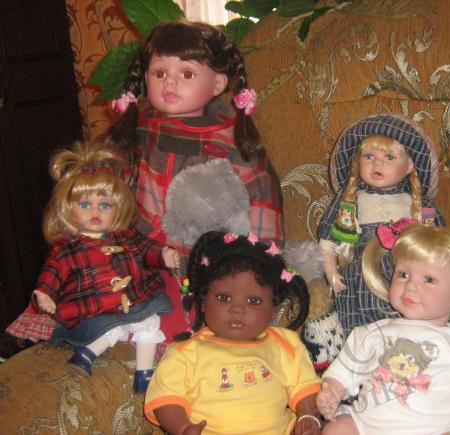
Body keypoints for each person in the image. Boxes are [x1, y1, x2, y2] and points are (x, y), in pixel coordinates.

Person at [107, 20, 285, 341]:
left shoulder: (231, 139)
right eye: (159, 73)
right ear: (145, 77)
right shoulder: (135, 131)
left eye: (187, 74)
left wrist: (260, 265)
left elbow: (262, 202)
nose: (170, 82)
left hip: (207, 265)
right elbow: (102, 191)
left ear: (218, 83)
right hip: (140, 260)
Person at [6, 142, 179, 393]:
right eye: (85, 205)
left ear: (118, 208)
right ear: (68, 208)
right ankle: (86, 353)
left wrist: (163, 256)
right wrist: (46, 294)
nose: (95, 211)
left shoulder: (126, 236)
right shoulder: (67, 248)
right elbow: (53, 273)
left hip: (134, 298)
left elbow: (146, 251)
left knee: (150, 321)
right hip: (93, 306)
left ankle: (144, 374)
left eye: (105, 205)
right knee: (113, 326)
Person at [317, 220, 450, 434]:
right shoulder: (369, 333)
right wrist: (332, 392)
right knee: (337, 428)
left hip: (438, 430)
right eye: (403, 274)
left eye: (429, 279)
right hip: (368, 427)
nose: (410, 285)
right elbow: (342, 372)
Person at [144, 231, 322, 435]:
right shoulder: (186, 352)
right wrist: (183, 428)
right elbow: (166, 399)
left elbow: (306, 388)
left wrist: (307, 418)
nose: (237, 309)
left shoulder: (285, 343)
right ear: (203, 302)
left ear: (273, 309)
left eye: (254, 301)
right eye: (223, 298)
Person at [317, 113, 444, 339]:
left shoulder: (419, 206)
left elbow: (441, 249)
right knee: (357, 336)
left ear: (409, 166)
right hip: (356, 285)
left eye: (389, 157)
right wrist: (332, 274)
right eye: (369, 156)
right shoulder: (349, 202)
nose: (377, 163)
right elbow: (327, 243)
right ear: (357, 162)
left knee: (404, 334)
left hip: (405, 283)